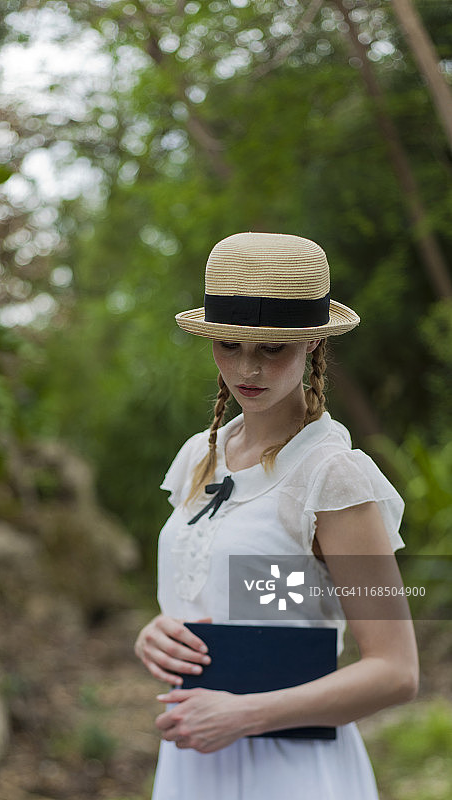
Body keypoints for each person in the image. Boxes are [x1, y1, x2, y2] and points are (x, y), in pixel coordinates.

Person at [134, 232, 419, 800]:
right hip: (193, 755)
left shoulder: (333, 476)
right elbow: (224, 593)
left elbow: (396, 671)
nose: (248, 368)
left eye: (272, 349)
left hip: (288, 765)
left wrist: (245, 716)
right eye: (230, 345)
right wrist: (157, 634)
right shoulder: (199, 455)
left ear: (313, 343)